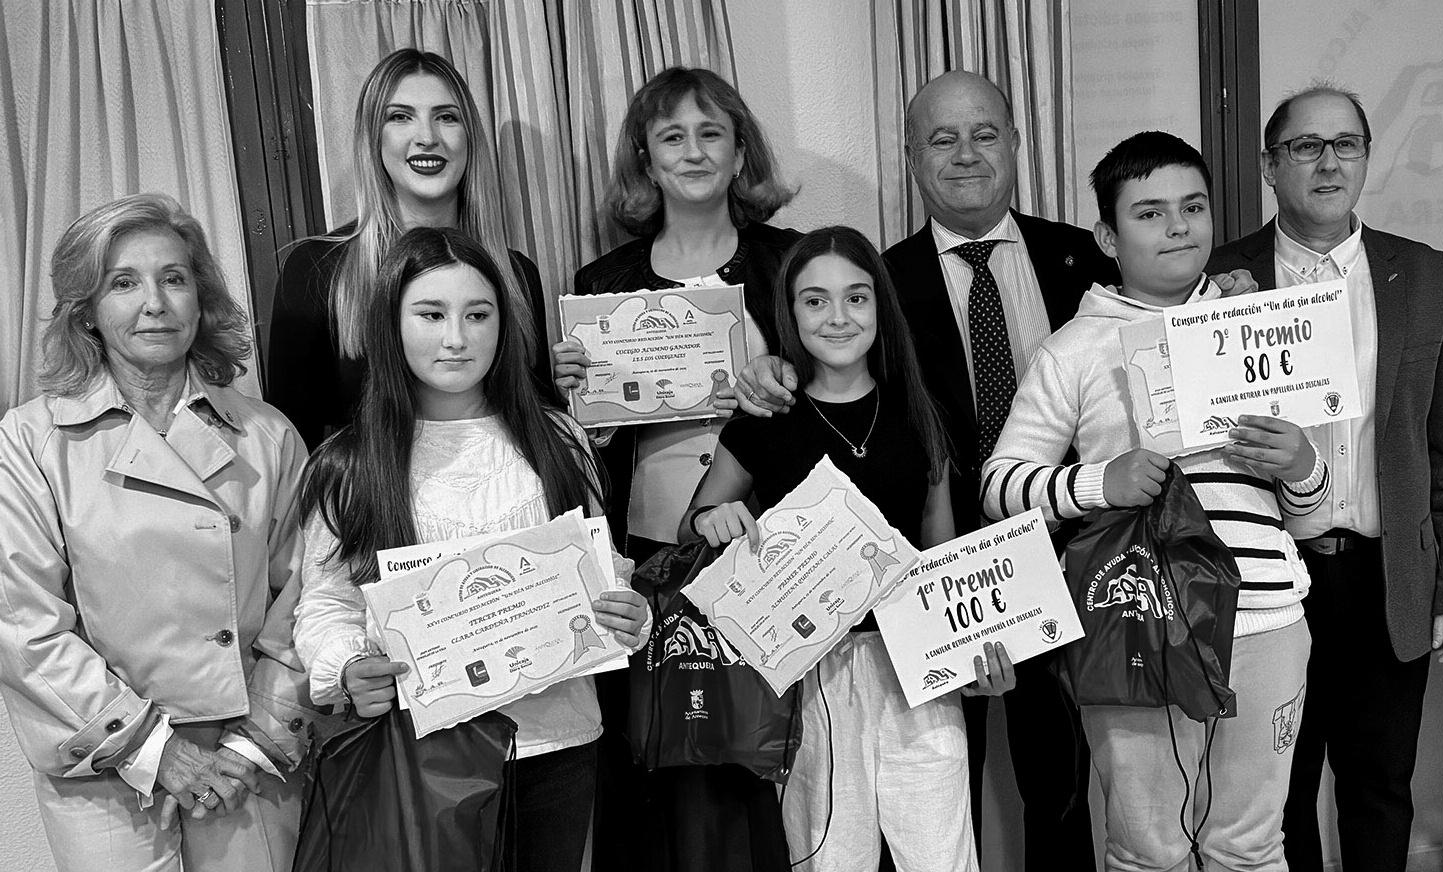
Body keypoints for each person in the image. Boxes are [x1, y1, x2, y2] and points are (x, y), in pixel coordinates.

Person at [733, 70, 1109, 869]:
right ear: (910, 156)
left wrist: (1222, 289)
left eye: (984, 133)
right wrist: (769, 370)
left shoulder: (1082, 258)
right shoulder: (879, 279)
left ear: (1017, 142)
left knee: (1065, 788)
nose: (966, 154)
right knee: (933, 796)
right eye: (942, 138)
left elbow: (1155, 311)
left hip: (1066, 559)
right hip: (929, 587)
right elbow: (828, 368)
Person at [983, 131, 1328, 871]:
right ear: (1107, 237)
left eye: (1193, 207)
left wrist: (1303, 466)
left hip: (1267, 621)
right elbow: (999, 485)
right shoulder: (1072, 349)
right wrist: (1095, 483)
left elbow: (1306, 506)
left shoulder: (1261, 325)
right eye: (1150, 213)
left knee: (1251, 846)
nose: (1178, 227)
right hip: (1134, 621)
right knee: (1148, 851)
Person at [291, 226, 649, 872]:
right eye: (431, 314)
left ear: (503, 326)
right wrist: (348, 669)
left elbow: (604, 571)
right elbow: (326, 604)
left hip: (559, 746)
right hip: (423, 754)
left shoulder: (560, 440)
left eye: (477, 315)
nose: (456, 337)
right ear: (389, 324)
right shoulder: (351, 463)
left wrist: (629, 612)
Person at [0, 193, 317, 871]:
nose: (155, 303)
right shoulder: (28, 442)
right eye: (124, 282)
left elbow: (309, 596)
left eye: (174, 278)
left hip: (244, 759)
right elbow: (22, 625)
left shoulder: (267, 434)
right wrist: (153, 749)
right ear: (86, 308)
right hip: (105, 765)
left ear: (200, 298)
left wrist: (255, 738)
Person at [1206, 85, 1443, 872]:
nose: (1329, 163)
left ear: (1365, 157)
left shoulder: (1426, 274)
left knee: (1380, 788)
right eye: (1305, 147)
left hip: (1389, 577)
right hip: (1266, 581)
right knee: (1276, 795)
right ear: (1269, 165)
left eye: (1346, 144)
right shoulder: (1218, 278)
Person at [679, 225, 993, 872]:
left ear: (880, 305)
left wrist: (974, 650)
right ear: (790, 313)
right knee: (829, 859)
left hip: (916, 668)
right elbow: (696, 522)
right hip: (810, 672)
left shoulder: (920, 415)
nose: (838, 317)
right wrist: (715, 520)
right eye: (815, 300)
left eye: (856, 297)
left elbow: (942, 557)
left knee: (943, 856)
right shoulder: (764, 423)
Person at [562, 66, 798, 872]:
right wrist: (577, 404)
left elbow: (841, 391)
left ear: (740, 152)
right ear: (646, 158)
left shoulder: (792, 263)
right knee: (663, 768)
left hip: (766, 549)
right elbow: (585, 459)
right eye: (672, 137)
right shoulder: (601, 285)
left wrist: (784, 381)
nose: (693, 152)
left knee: (758, 769)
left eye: (711, 134)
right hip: (650, 560)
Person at [267, 47, 553, 450]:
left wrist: (580, 398)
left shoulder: (516, 274)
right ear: (373, 138)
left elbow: (533, 422)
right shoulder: (315, 269)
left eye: (446, 117)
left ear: (470, 138)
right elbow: (292, 445)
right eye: (400, 117)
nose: (427, 138)